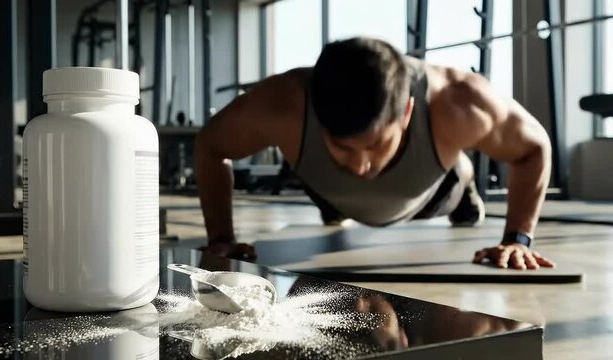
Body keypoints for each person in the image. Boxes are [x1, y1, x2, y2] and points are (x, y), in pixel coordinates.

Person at [195, 37, 555, 270]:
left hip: (430, 195)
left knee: (453, 182)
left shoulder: (459, 102)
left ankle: (464, 183)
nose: (361, 165)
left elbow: (534, 148)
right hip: (328, 190)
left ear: (408, 112)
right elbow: (211, 146)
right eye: (343, 146)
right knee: (330, 178)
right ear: (316, 115)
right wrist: (221, 238)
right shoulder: (282, 104)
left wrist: (518, 238)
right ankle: (338, 192)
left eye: (377, 145)